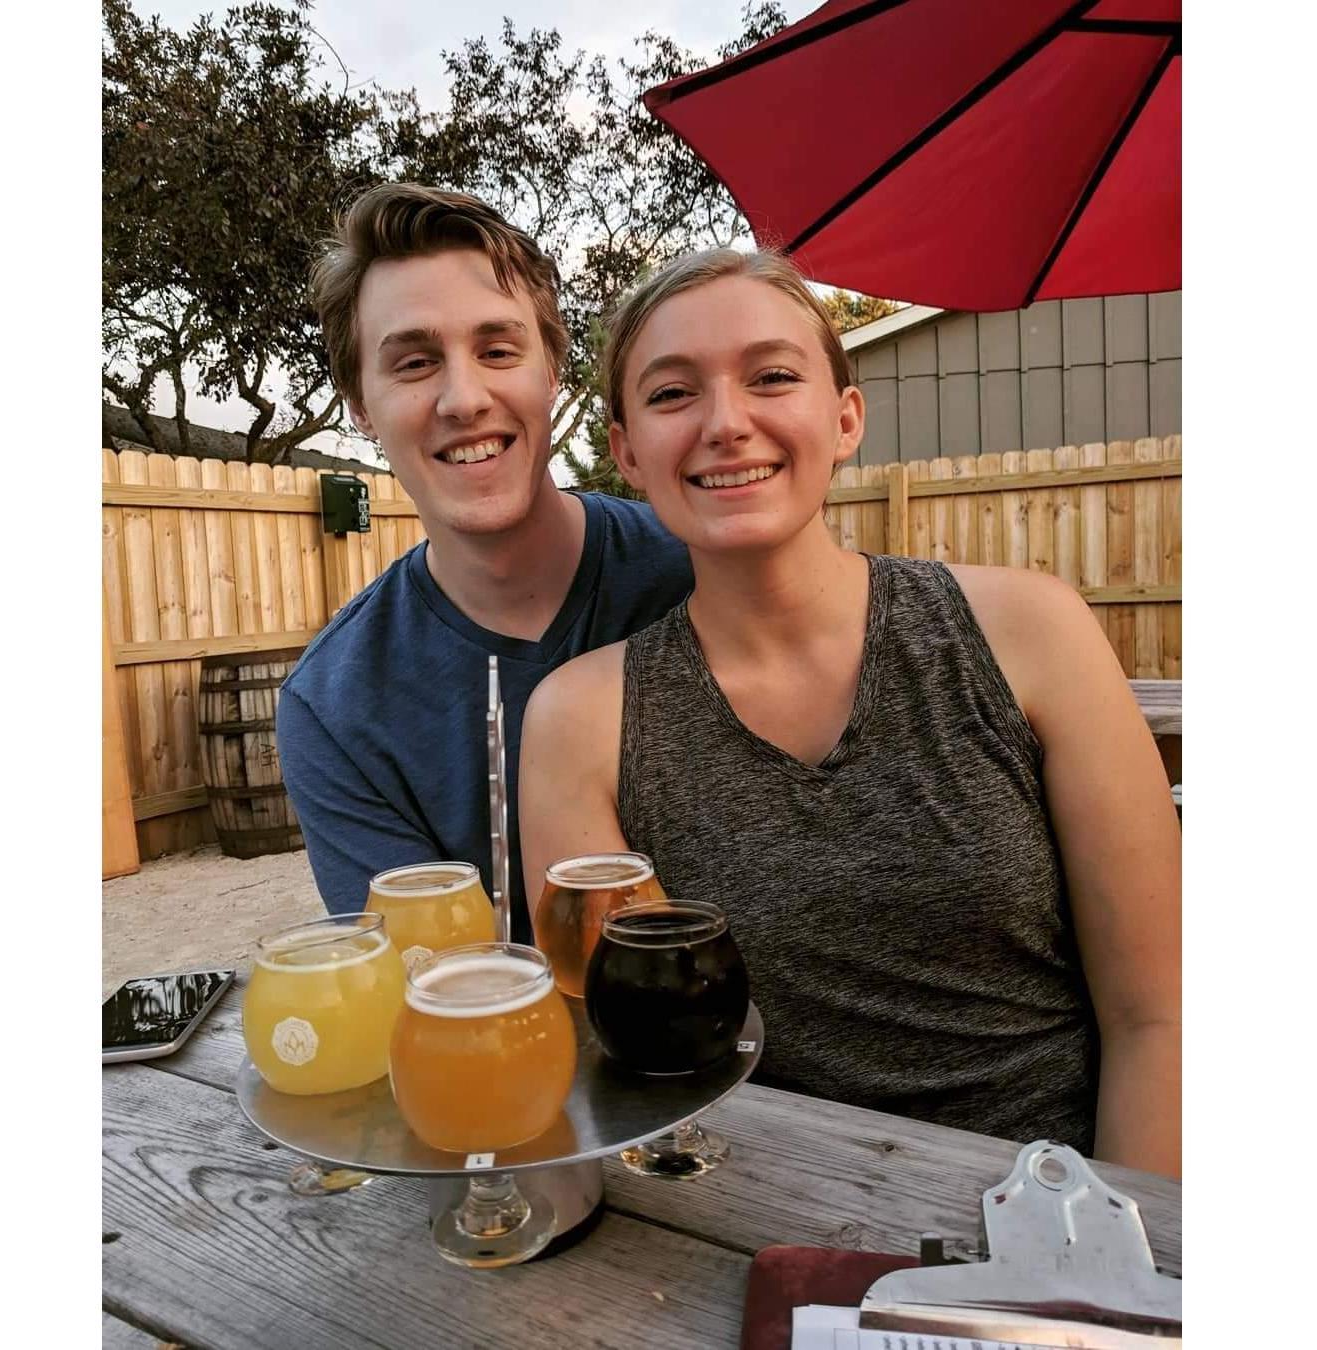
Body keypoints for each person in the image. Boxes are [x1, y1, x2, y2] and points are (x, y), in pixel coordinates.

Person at [518, 249, 1181, 1176]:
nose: (726, 422)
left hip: (1060, 1205)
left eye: (772, 377)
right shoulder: (579, 719)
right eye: (672, 395)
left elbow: (1161, 1016)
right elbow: (635, 1058)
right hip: (761, 1221)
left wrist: (1130, 1274)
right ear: (627, 452)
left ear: (845, 418)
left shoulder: (1030, 631)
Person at [277, 184, 693, 943]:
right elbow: (426, 985)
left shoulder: (700, 577)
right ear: (359, 406)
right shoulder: (335, 707)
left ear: (552, 370)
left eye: (498, 351)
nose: (463, 399)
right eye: (414, 363)